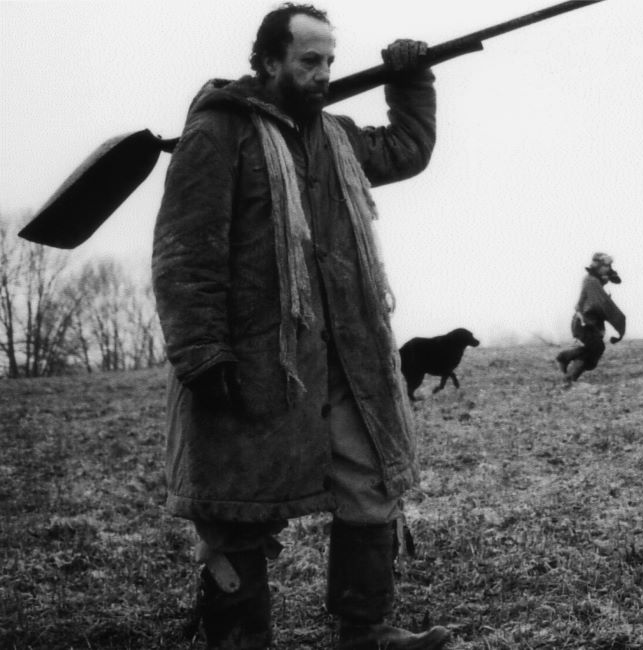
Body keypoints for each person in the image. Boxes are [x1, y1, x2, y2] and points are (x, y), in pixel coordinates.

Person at [151, 4, 449, 649]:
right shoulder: (218, 133)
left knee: (369, 482)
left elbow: (406, 150)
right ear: (268, 61)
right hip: (252, 361)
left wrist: (411, 81)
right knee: (237, 513)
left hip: (342, 354)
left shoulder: (335, 135)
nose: (322, 74)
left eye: (330, 62)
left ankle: (364, 631)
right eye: (308, 61)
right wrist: (201, 352)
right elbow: (186, 253)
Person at [555, 253, 626, 384]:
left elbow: (617, 280)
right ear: (599, 266)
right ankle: (565, 360)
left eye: (609, 266)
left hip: (591, 323)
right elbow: (599, 303)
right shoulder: (591, 281)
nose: (608, 268)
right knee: (596, 347)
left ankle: (569, 375)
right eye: (606, 266)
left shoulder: (596, 279)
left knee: (592, 352)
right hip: (584, 322)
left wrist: (610, 274)